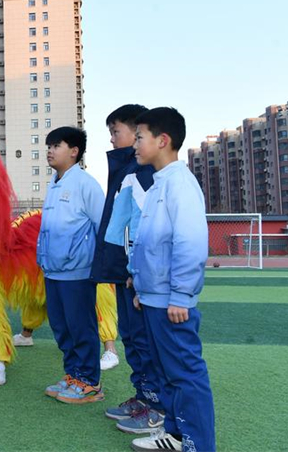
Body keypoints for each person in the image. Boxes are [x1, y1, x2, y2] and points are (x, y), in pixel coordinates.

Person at [127, 107, 214, 452]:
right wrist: (140, 284)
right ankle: (178, 435)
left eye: (139, 137)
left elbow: (190, 243)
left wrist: (180, 295)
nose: (134, 145)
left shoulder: (180, 183)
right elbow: (148, 242)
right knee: (167, 373)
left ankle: (198, 445)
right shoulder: (159, 183)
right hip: (154, 297)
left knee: (185, 376)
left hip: (171, 302)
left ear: (163, 141)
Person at [90, 104, 166, 434]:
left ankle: (157, 407)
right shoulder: (125, 169)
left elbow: (144, 229)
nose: (112, 139)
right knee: (132, 338)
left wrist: (138, 272)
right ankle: (143, 396)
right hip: (124, 271)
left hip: (138, 275)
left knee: (145, 339)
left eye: (115, 132)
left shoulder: (145, 173)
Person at [38, 126, 105, 404]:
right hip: (53, 272)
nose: (50, 151)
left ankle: (89, 382)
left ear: (74, 151)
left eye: (56, 145)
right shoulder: (54, 184)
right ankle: (73, 375)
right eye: (49, 146)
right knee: (62, 328)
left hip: (77, 273)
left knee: (81, 328)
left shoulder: (85, 184)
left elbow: (103, 226)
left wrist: (102, 267)